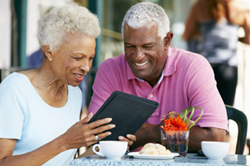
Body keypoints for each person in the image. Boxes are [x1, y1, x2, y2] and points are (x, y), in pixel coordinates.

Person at [0, 3, 136, 166]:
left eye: (90, 58)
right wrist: (64, 141)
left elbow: (66, 162)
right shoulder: (15, 89)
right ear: (50, 51)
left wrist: (108, 147)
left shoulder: (74, 93)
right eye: (78, 58)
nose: (86, 67)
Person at [88, 1, 228, 152]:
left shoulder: (193, 67)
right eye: (130, 46)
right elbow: (95, 139)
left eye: (148, 46)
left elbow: (215, 138)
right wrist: (164, 130)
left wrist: (149, 132)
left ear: (167, 41)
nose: (138, 56)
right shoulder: (109, 70)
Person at [182, 0, 250, 106]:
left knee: (202, 109)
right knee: (226, 109)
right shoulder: (241, 7)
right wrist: (234, 38)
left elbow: (186, 35)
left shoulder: (200, 5)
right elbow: (248, 39)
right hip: (228, 68)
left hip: (204, 66)